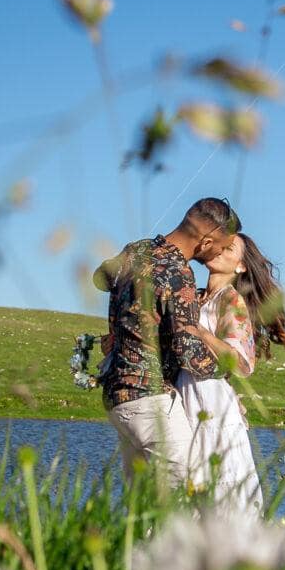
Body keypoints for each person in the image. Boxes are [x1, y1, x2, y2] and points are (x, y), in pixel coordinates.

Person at [95, 197, 239, 486]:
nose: (217, 255)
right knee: (192, 488)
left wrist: (121, 328)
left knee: (143, 503)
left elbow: (100, 278)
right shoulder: (179, 273)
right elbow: (189, 352)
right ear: (206, 241)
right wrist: (227, 369)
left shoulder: (136, 250)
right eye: (221, 247)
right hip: (149, 399)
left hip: (116, 397)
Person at [178, 231, 285, 512]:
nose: (219, 250)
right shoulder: (198, 295)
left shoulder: (231, 300)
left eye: (229, 248)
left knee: (217, 487)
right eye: (219, 244)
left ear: (241, 266)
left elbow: (241, 363)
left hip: (210, 397)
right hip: (185, 389)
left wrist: (201, 332)